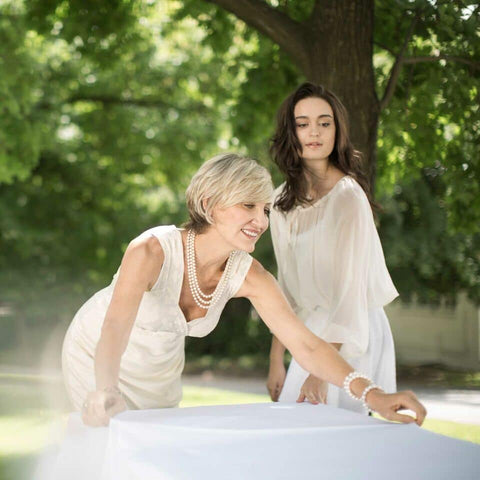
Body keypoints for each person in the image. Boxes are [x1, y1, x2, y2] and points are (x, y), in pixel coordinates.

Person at [62, 153, 426, 427]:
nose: (262, 221)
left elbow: (308, 346)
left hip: (159, 371)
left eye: (265, 209)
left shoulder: (248, 274)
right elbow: (113, 330)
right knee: (107, 445)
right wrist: (105, 388)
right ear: (208, 205)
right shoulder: (151, 250)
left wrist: (374, 395)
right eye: (248, 206)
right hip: (97, 353)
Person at [267, 82, 399, 413]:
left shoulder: (348, 198)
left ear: (337, 130)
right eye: (303, 123)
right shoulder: (280, 203)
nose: (315, 132)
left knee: (340, 443)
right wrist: (275, 358)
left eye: (325, 123)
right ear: (290, 131)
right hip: (308, 333)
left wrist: (321, 372)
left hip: (352, 335)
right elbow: (285, 291)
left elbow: (350, 294)